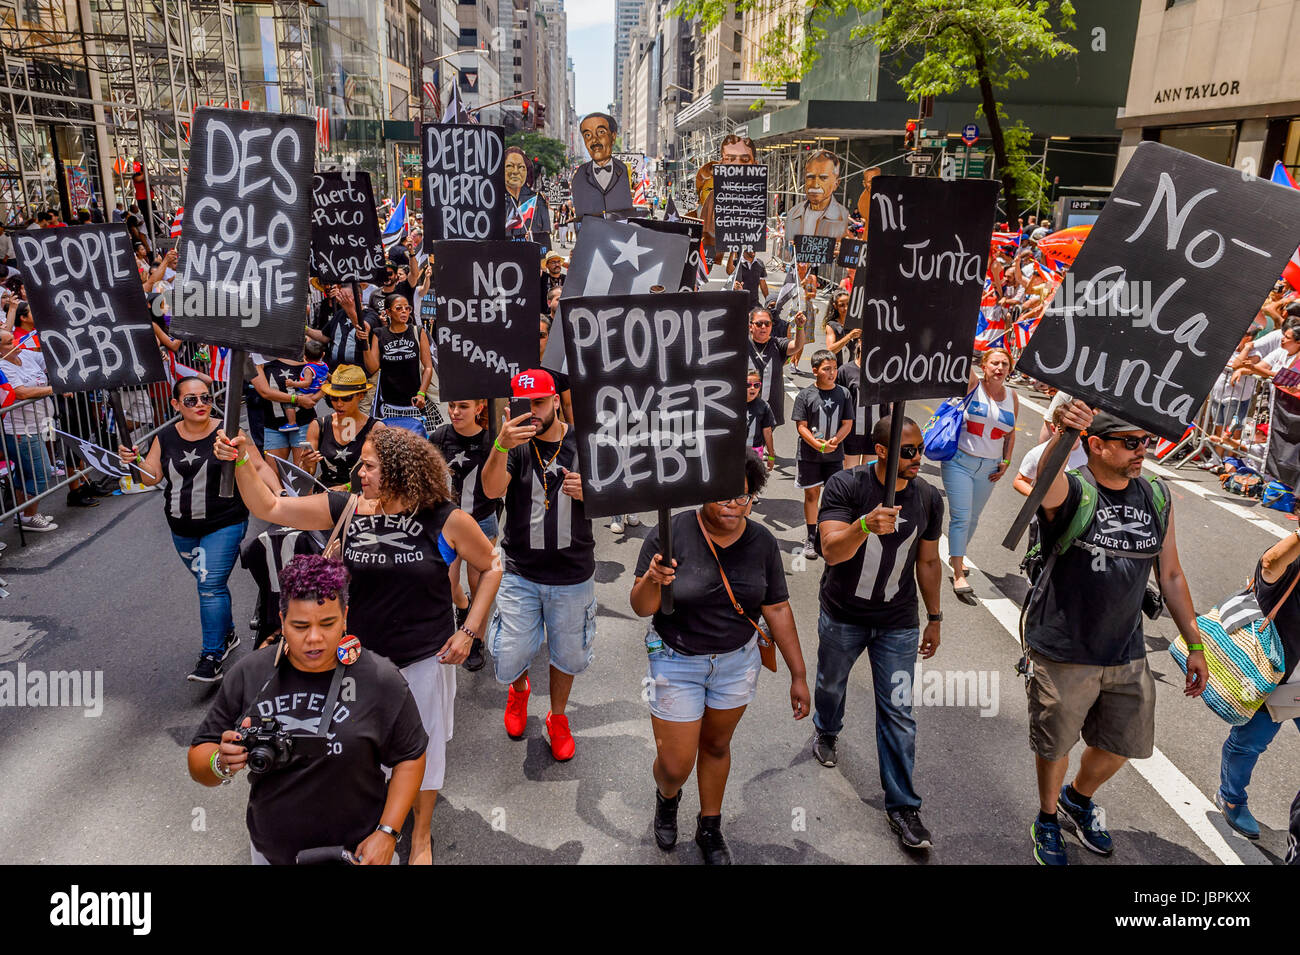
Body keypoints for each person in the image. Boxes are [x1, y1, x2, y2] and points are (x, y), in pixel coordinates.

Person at [215, 424, 502, 865]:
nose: (358, 471)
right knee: (357, 746)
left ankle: (420, 836)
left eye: (368, 465)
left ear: (399, 471)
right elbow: (269, 505)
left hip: (423, 660)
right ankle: (377, 825)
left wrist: (469, 630)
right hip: (355, 663)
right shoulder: (346, 507)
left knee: (421, 750)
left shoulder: (446, 519)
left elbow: (492, 565)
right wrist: (239, 460)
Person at [1023, 404, 1206, 866]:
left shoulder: (1156, 498)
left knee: (1122, 746)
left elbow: (1172, 576)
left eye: (1144, 441)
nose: (1141, 450)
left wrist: (1196, 643)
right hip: (1064, 649)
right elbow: (1045, 480)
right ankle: (1047, 819)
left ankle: (1077, 799)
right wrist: (1065, 431)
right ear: (1097, 446)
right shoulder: (1076, 492)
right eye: (1129, 442)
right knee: (1056, 744)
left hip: (1126, 651)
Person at [188, 554, 428, 865]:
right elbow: (198, 760)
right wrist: (220, 762)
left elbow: (411, 755)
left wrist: (388, 832)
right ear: (281, 619)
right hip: (271, 855)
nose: (314, 638)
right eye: (300, 625)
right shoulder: (249, 674)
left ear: (345, 616)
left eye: (327, 623)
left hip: (362, 854)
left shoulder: (381, 678)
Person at [631, 451, 809, 864]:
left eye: (744, 498)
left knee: (715, 745)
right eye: (725, 496)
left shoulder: (762, 541)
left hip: (735, 664)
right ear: (704, 491)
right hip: (675, 660)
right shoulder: (670, 531)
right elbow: (641, 606)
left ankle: (710, 826)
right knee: (676, 764)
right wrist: (654, 580)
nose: (734, 506)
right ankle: (668, 796)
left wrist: (798, 675)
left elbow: (777, 608)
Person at [811, 415, 944, 850]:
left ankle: (903, 807)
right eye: (908, 451)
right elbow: (830, 551)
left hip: (898, 622)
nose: (917, 459)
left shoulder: (928, 497)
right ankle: (827, 729)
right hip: (843, 613)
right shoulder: (846, 487)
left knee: (900, 711)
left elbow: (927, 562)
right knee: (831, 685)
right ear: (883, 450)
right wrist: (864, 525)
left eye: (920, 450)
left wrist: (935, 617)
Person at [481, 369, 596, 762]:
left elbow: (619, 496)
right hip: (522, 572)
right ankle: (519, 689)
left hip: (572, 572)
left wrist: (592, 493)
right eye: (525, 404)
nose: (532, 412)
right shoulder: (512, 444)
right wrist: (499, 445)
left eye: (540, 403)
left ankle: (557, 717)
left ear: (556, 401)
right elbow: (492, 490)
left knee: (568, 655)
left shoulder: (584, 444)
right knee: (509, 655)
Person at [118, 377, 250, 682]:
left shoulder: (227, 431)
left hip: (225, 522)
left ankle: (211, 656)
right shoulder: (165, 436)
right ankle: (227, 633)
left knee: (209, 586)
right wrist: (134, 460)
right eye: (191, 400)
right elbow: (150, 478)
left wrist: (278, 497)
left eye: (205, 398)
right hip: (182, 528)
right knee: (210, 585)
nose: (201, 404)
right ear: (176, 404)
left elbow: (254, 464)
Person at [1215, 533, 1300, 840]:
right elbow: (1270, 563)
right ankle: (1231, 797)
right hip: (1273, 674)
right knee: (1250, 742)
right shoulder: (1290, 562)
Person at [431, 398, 503, 673]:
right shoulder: (440, 436)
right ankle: (463, 607)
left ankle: (476, 640)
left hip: (482, 521)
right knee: (446, 584)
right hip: (447, 524)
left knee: (480, 583)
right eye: (452, 406)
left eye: (463, 406)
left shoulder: (490, 440)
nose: (455, 412)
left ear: (479, 408)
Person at [941, 348, 1018, 597]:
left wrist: (1006, 460)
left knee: (973, 518)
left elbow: (1011, 432)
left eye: (1004, 364)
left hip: (989, 468)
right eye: (994, 363)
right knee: (962, 517)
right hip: (959, 462)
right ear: (983, 366)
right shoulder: (973, 386)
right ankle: (958, 573)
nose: (999, 368)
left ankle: (958, 556)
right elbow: (961, 362)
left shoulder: (1013, 397)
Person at [793, 349, 853, 560]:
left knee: (833, 494)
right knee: (811, 495)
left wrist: (835, 440)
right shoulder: (805, 395)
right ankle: (811, 536)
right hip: (810, 455)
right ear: (815, 370)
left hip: (835, 456)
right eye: (827, 369)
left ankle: (829, 532)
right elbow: (801, 426)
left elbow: (847, 423)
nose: (832, 373)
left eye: (834, 368)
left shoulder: (844, 393)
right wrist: (817, 445)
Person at [1, 327, 58, 532]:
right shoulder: (2, 366)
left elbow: (52, 359)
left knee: (26, 473)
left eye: (13, 340)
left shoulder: (24, 354)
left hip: (39, 423)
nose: (15, 344)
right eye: (8, 343)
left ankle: (24, 514)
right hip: (19, 429)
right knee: (41, 473)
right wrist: (54, 389)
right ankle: (29, 516)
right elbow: (21, 393)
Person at [302, 364, 382, 489]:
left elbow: (381, 474)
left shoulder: (376, 428)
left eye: (346, 398)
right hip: (326, 494)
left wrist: (346, 487)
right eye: (334, 398)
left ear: (361, 395)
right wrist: (306, 463)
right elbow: (308, 472)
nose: (339, 404)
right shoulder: (318, 426)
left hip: (361, 495)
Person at [364, 293, 432, 426]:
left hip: (415, 403)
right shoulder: (379, 334)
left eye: (407, 308)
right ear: (388, 312)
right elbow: (372, 368)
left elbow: (428, 366)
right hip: (389, 405)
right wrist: (365, 341)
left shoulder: (418, 332)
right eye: (399, 308)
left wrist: (421, 393)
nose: (404, 312)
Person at [747, 305, 807, 429]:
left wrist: (800, 327)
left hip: (769, 409)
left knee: (761, 441)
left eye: (767, 324)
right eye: (759, 324)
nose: (763, 327)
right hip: (745, 407)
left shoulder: (777, 344)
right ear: (750, 326)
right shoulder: (741, 344)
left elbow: (796, 346)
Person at [571, 112, 633, 221]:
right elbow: (581, 217)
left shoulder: (623, 169)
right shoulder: (580, 174)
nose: (594, 140)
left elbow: (627, 211)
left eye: (601, 132)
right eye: (588, 135)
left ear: (613, 137)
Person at [784, 149, 852, 242]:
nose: (815, 185)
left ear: (836, 183)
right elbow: (787, 252)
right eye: (810, 177)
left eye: (823, 178)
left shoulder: (843, 217)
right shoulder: (793, 214)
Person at [279, 339, 329, 434]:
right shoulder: (324, 365)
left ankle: (292, 423)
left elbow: (307, 383)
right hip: (316, 389)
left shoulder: (308, 369)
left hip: (306, 391)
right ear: (323, 354)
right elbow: (327, 375)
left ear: (304, 356)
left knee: (288, 401)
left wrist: (293, 384)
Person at [744, 368, 776, 470]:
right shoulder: (733, 404)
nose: (752, 388)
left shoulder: (764, 406)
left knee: (752, 483)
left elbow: (767, 432)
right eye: (748, 385)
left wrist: (771, 454)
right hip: (735, 450)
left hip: (755, 450)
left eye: (756, 385)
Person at [822, 291, 858, 369]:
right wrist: (849, 336)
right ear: (835, 306)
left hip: (853, 370)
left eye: (848, 304)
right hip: (837, 371)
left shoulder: (856, 324)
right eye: (842, 305)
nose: (846, 308)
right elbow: (830, 350)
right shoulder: (832, 325)